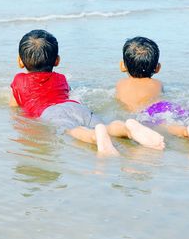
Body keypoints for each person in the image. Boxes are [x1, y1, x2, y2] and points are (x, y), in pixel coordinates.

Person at [9, 30, 165, 155]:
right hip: (75, 106)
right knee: (105, 125)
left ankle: (94, 138)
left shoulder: (18, 80)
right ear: (57, 60)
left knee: (72, 130)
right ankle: (127, 129)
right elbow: (65, 93)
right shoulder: (60, 78)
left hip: (50, 112)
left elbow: (15, 105)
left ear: (20, 61)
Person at [115, 36, 189, 145]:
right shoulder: (158, 83)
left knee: (165, 125)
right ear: (157, 68)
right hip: (164, 106)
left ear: (122, 66)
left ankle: (186, 132)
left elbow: (121, 104)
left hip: (146, 113)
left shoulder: (120, 84)